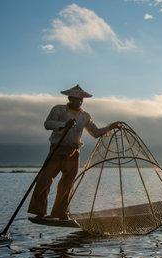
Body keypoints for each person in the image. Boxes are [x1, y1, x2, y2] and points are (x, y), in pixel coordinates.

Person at [28, 84, 123, 220]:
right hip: (56, 150)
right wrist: (63, 125)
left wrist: (111, 127)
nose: (78, 101)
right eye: (75, 99)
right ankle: (39, 211)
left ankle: (60, 213)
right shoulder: (59, 109)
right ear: (69, 98)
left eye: (80, 99)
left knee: (67, 185)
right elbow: (47, 124)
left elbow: (95, 133)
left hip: (73, 152)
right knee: (44, 180)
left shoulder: (84, 116)